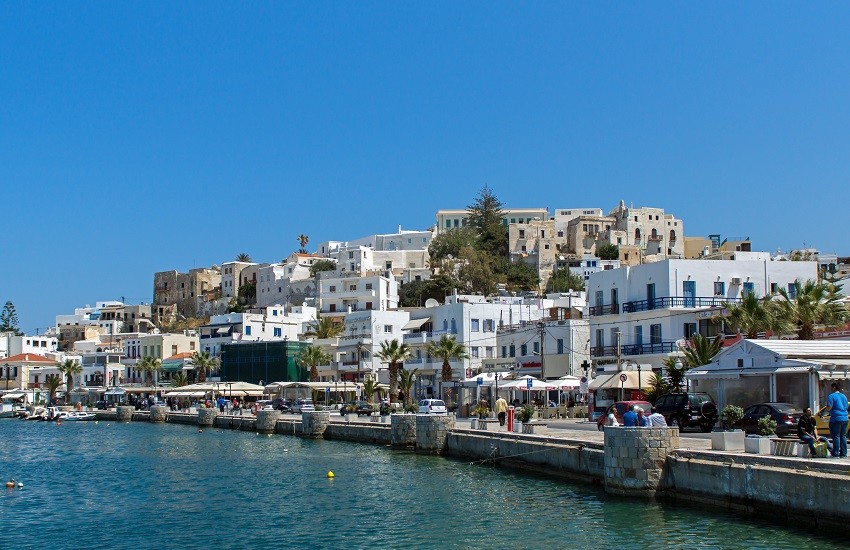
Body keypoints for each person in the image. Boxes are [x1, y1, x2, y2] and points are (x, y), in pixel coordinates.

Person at [826, 382, 848, 458]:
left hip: (836, 418)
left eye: (832, 387)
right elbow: (846, 406)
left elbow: (829, 407)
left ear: (834, 387)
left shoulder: (831, 396)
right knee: (843, 436)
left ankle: (835, 453)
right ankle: (844, 453)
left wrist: (827, 409)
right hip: (845, 417)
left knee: (836, 436)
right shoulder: (844, 396)